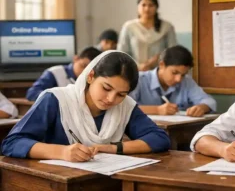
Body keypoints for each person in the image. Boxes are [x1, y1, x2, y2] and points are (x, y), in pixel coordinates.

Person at [2, 50, 170, 162]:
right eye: (106, 88)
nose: (111, 99)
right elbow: (12, 143)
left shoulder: (125, 106)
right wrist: (62, 152)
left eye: (121, 94)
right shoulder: (56, 99)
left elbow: (159, 139)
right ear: (90, 76)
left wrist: (113, 148)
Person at [130, 45, 216, 117]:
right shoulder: (138, 80)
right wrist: (157, 110)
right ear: (162, 65)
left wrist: (201, 107)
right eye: (174, 72)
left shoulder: (186, 81)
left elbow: (209, 101)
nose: (178, 79)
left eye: (183, 74)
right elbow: (123, 106)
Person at [117, 0, 177, 71]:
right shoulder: (129, 27)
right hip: (134, 71)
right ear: (138, 7)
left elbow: (172, 52)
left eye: (151, 5)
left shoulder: (167, 27)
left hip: (160, 72)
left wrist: (155, 61)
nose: (147, 9)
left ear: (156, 8)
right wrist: (138, 66)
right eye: (143, 5)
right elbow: (122, 52)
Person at [26, 47, 101, 101]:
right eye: (83, 66)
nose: (84, 72)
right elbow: (32, 93)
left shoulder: (93, 79)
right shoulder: (54, 73)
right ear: (76, 59)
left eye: (89, 70)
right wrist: (58, 97)